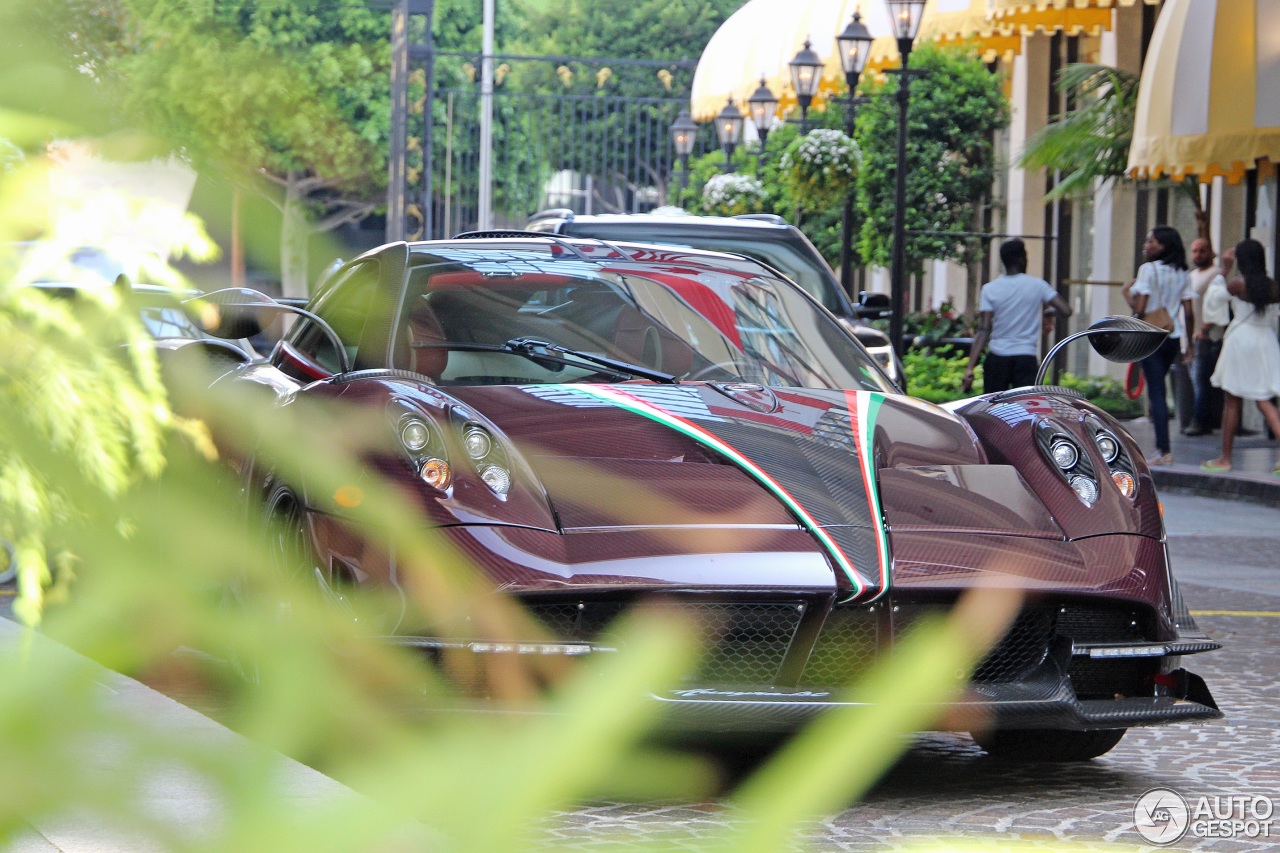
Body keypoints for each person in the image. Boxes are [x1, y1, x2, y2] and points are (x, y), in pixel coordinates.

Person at [1200, 239, 1280, 473]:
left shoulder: (1238, 283)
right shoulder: (1272, 286)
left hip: (1241, 341)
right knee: (1264, 400)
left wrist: (1223, 269)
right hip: (1265, 340)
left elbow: (1214, 300)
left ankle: (1225, 458)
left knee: (1232, 400)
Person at [962, 239, 1072, 394]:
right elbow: (1066, 310)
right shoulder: (1038, 285)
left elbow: (984, 329)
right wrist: (1046, 313)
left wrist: (970, 368)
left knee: (994, 411)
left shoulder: (990, 289)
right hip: (1025, 358)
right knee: (1025, 409)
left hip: (997, 358)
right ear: (1022, 259)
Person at [1123, 225, 1193, 466]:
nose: (1146, 245)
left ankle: (1163, 450)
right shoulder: (1183, 272)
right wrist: (1189, 345)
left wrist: (1126, 294)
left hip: (1150, 336)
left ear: (1164, 246)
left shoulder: (1147, 270)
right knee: (1159, 390)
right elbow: (1189, 311)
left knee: (1157, 392)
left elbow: (1140, 308)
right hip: (1173, 337)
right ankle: (1162, 448)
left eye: (1151, 241)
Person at [1184, 238, 1225, 435]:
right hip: (1193, 337)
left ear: (1210, 252)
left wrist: (1205, 329)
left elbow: (1218, 304)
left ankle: (1200, 422)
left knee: (1201, 381)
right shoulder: (1192, 275)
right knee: (1197, 381)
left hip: (1207, 337)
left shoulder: (1216, 274)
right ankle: (1203, 421)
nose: (1197, 255)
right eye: (1194, 251)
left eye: (1202, 251)